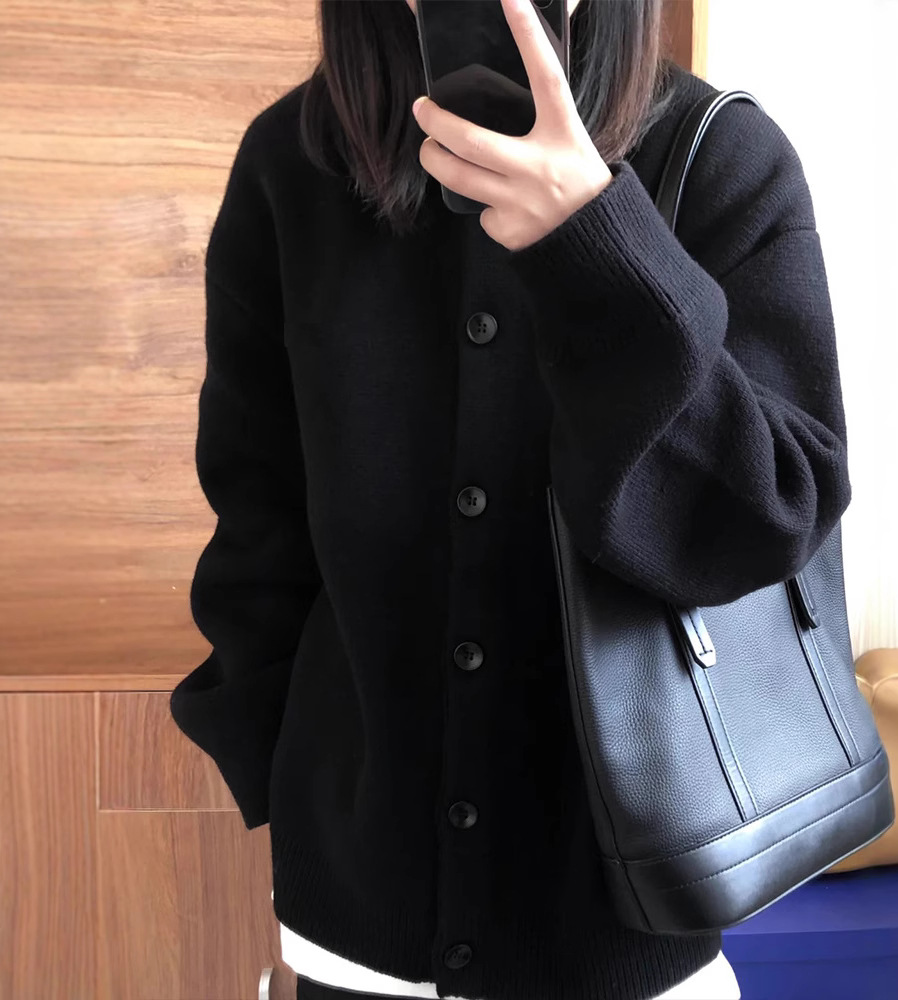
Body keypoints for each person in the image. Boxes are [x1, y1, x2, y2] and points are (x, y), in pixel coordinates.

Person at [169, 0, 850, 998]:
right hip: (357, 919)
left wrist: (599, 242)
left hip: (628, 924)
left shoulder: (721, 158)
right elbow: (256, 514)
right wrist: (293, 773)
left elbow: (771, 514)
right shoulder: (292, 161)